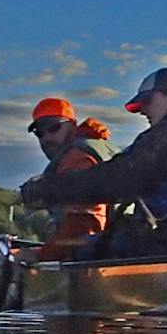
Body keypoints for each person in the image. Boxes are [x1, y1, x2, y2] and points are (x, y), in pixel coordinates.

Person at [21, 67, 167, 252]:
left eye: (147, 101)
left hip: (166, 250)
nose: (142, 110)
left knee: (85, 251)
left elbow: (114, 180)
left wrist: (42, 189)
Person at [23, 97, 117, 260]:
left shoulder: (76, 158)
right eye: (39, 133)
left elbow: (82, 226)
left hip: (97, 266)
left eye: (54, 128)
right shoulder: (102, 148)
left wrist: (41, 257)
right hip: (120, 256)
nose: (46, 138)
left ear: (72, 124)